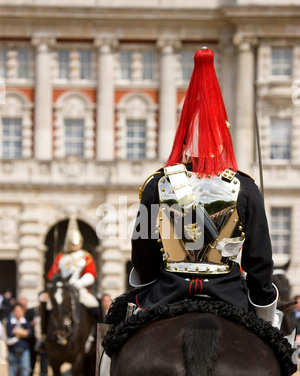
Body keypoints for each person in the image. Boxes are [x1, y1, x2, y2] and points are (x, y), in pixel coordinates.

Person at [128, 47, 280, 329]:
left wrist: (151, 282)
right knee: (277, 352)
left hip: (165, 295)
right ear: (224, 135)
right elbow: (260, 262)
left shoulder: (157, 185)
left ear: (183, 135)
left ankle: (106, 374)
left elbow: (143, 255)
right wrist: (263, 303)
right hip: (230, 297)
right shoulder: (244, 187)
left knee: (113, 339)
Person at [38, 217, 100, 352]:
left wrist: (79, 283)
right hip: (62, 289)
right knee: (47, 305)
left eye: (76, 243)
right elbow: (52, 275)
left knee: (94, 304)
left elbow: (91, 274)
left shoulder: (86, 257)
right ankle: (44, 337)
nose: (74, 245)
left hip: (79, 288)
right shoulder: (61, 257)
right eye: (72, 243)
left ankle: (97, 336)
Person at [6, 302, 33, 376]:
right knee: (12, 372)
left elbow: (29, 334)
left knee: (25, 372)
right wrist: (22, 333)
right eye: (16, 310)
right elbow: (9, 333)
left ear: (23, 312)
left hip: (24, 350)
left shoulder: (26, 323)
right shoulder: (10, 322)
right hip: (13, 350)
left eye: (19, 310)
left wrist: (17, 332)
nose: (18, 312)